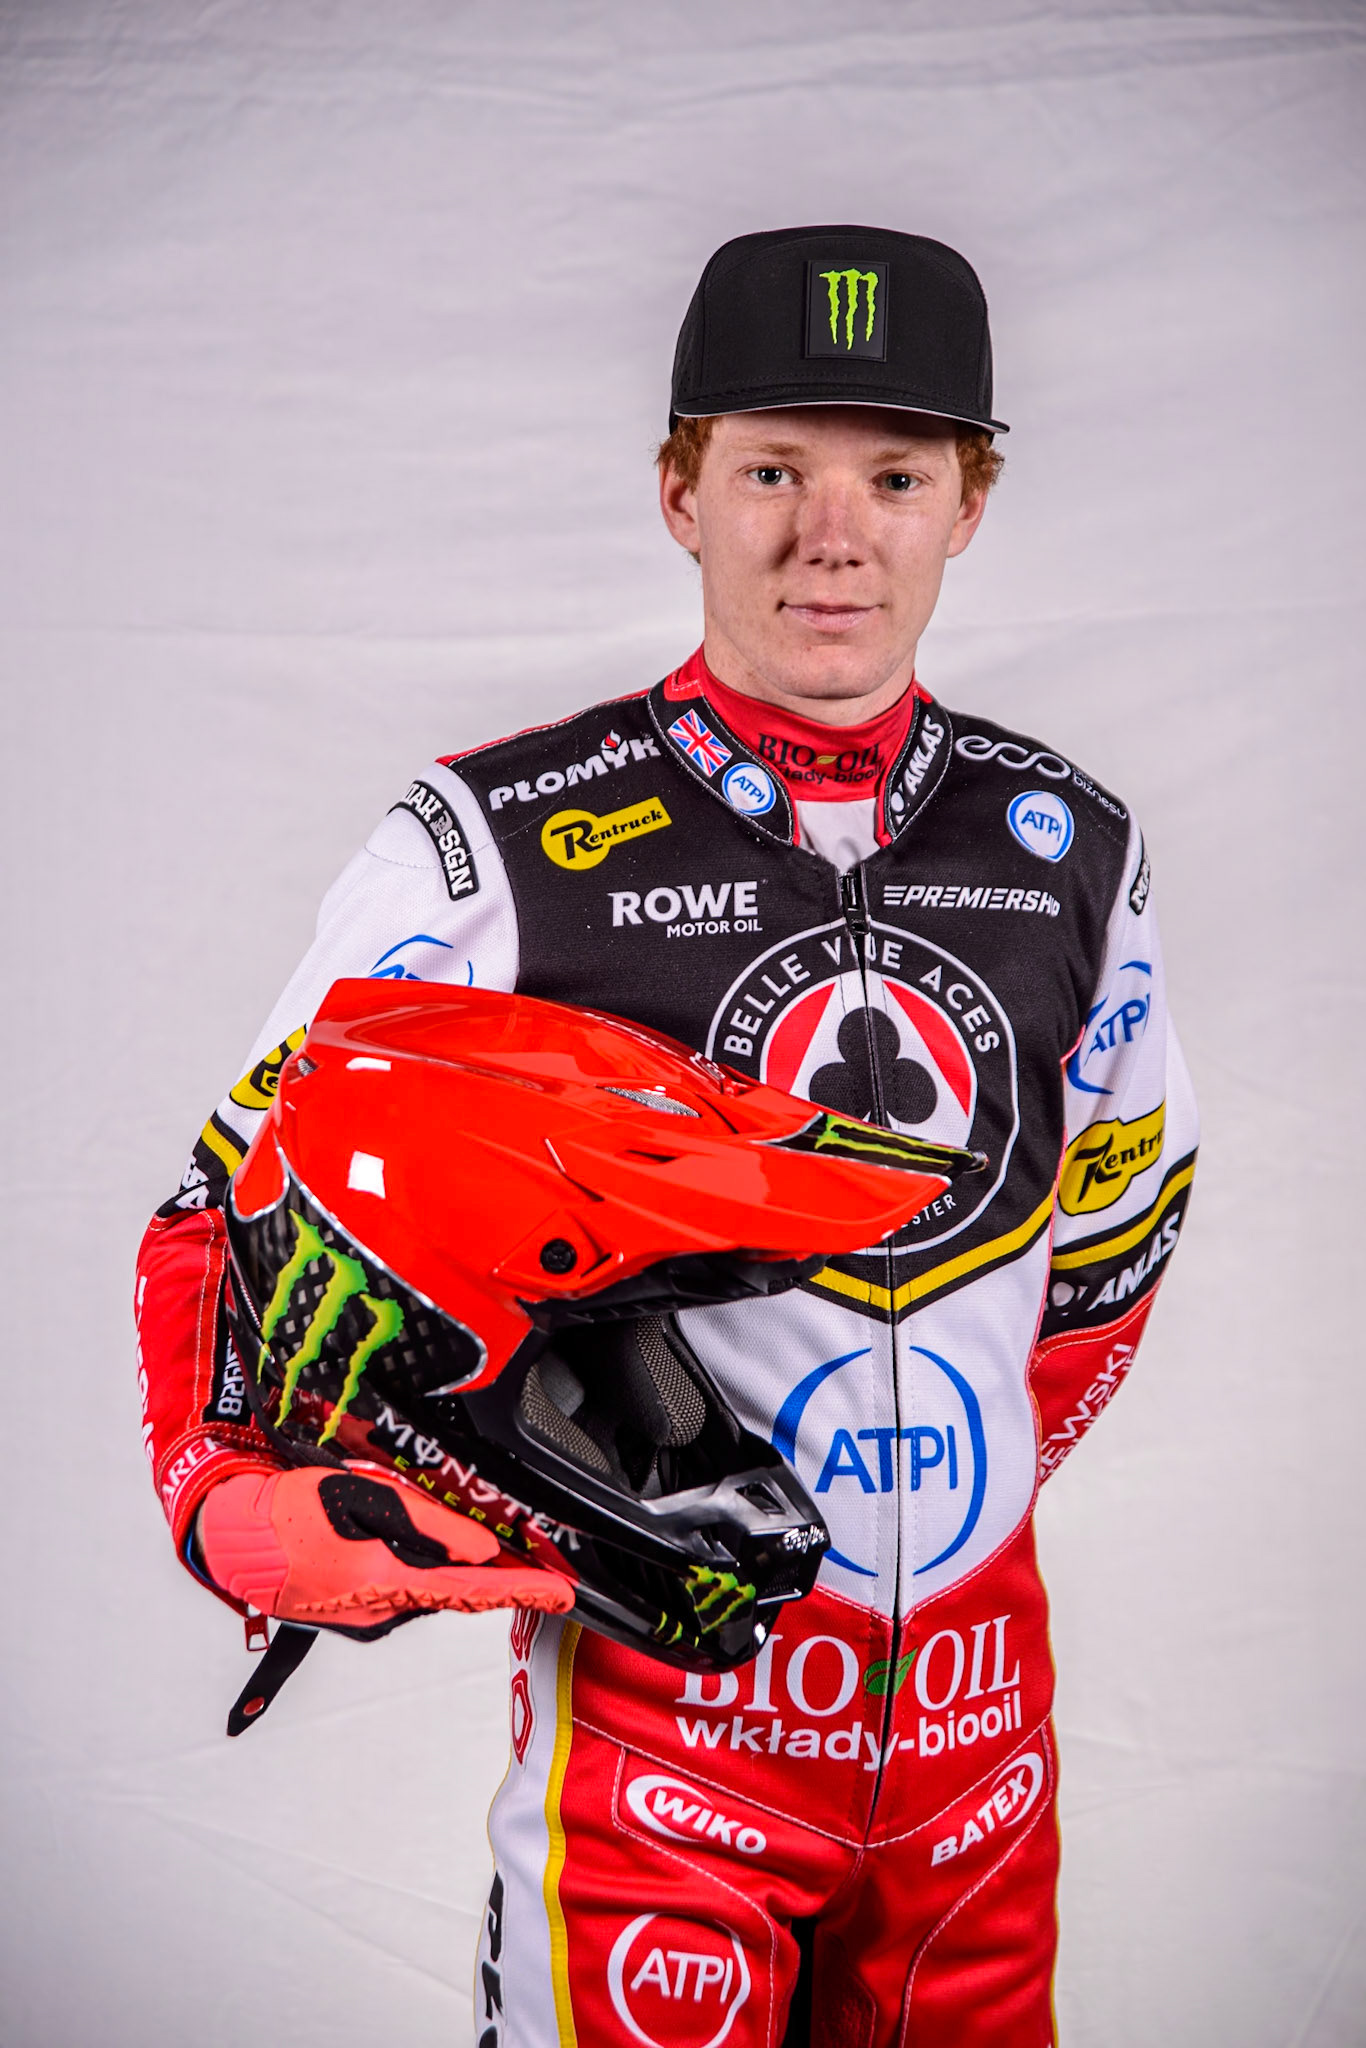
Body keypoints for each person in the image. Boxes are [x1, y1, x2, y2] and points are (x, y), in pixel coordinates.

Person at [136, 225, 1198, 2047]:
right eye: (773, 469)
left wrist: (918, 1523)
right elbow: (227, 1205)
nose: (831, 533)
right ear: (679, 492)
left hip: (978, 1763)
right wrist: (227, 1497)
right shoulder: (490, 842)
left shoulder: (1075, 843)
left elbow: (1114, 1242)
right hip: (656, 1758)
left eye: (896, 475)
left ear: (970, 505)